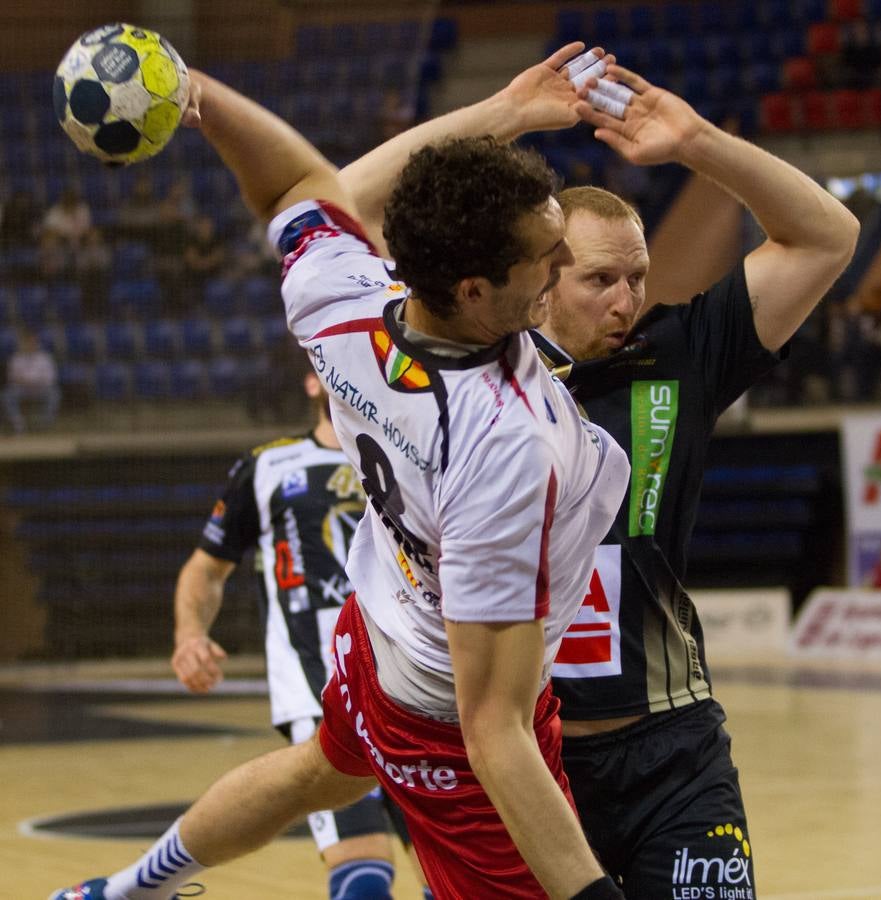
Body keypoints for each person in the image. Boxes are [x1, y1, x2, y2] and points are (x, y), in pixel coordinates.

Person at [51, 43, 633, 900]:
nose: (560, 267)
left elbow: (303, 189)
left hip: (376, 627)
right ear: (474, 290)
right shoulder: (505, 447)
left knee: (314, 774)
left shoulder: (345, 296)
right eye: (545, 259)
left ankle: (124, 891)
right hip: (444, 706)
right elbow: (492, 727)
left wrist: (195, 92)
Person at [530, 66, 859, 896]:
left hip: (673, 753)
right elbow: (341, 214)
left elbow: (826, 236)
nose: (626, 299)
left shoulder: (677, 358)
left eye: (636, 277)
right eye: (599, 279)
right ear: (537, 282)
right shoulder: (476, 381)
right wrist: (503, 118)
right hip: (528, 769)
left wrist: (699, 146)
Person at [171, 356, 419, 900]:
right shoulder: (268, 465)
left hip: (417, 684)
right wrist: (190, 633)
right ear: (313, 380)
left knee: (455, 875)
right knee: (363, 869)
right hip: (319, 687)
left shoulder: (414, 457)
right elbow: (206, 568)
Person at [3, 329, 60, 434]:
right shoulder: (16, 358)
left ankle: (44, 423)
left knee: (54, 394)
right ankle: (18, 423)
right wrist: (25, 382)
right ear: (22, 344)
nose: (30, 345)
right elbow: (12, 377)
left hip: (41, 388)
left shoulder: (45, 358)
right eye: (27, 343)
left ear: (37, 343)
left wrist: (35, 382)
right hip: (22, 389)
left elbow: (51, 378)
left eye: (32, 342)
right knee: (7, 395)